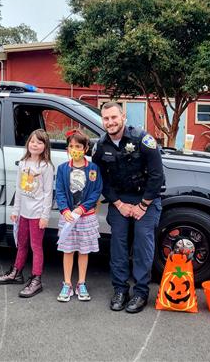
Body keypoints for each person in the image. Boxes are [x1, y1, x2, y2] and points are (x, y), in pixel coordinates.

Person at [92, 101, 165, 314]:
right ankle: (120, 290)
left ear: (123, 117)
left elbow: (156, 175)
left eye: (114, 117)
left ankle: (141, 292)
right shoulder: (101, 146)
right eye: (106, 118)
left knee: (143, 242)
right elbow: (100, 179)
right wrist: (118, 204)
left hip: (147, 199)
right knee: (118, 244)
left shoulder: (142, 139)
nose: (110, 122)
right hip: (120, 200)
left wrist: (143, 205)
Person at [0, 129, 54, 298]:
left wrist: (45, 216)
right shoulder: (23, 163)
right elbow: (19, 189)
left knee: (36, 247)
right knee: (22, 244)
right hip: (24, 214)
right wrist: (15, 210)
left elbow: (48, 193)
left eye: (39, 142)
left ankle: (36, 279)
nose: (35, 145)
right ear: (28, 143)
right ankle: (16, 272)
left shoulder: (46, 167)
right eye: (32, 141)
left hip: (37, 215)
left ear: (45, 146)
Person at [55, 129, 103, 302]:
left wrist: (82, 208)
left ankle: (81, 282)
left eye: (78, 146)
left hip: (86, 216)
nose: (74, 149)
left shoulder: (93, 169)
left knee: (83, 251)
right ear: (68, 148)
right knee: (68, 250)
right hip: (68, 217)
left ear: (86, 148)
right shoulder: (62, 169)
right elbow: (59, 191)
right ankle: (67, 283)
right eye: (71, 146)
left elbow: (96, 191)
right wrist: (65, 210)